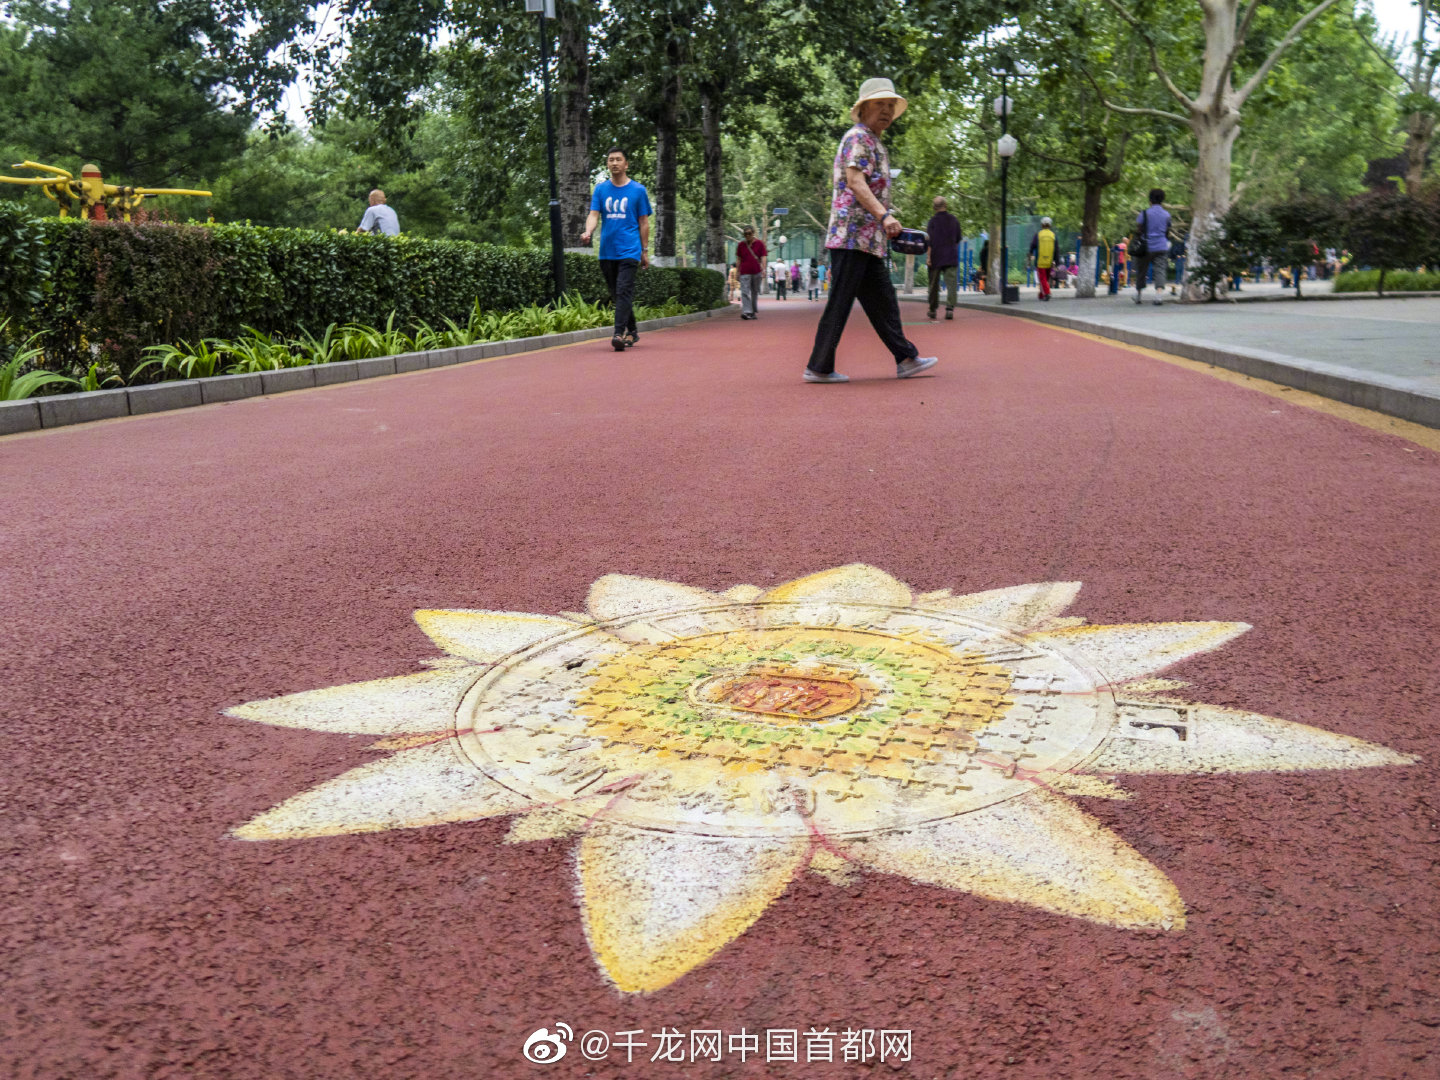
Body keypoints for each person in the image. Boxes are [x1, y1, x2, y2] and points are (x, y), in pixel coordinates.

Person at [804, 78, 937, 383]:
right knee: (840, 301)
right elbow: (855, 181)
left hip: (866, 239)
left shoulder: (874, 140)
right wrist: (884, 214)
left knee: (883, 301)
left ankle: (906, 358)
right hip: (852, 236)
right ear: (864, 108)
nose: (887, 110)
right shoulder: (859, 137)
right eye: (880, 104)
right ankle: (818, 366)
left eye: (891, 105)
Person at [582, 147, 652, 350]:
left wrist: (644, 250)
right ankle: (633, 331)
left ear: (626, 164)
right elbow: (594, 215)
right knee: (618, 294)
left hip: (629, 250)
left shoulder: (638, 190)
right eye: (611, 160)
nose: (614, 163)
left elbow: (644, 222)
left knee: (623, 291)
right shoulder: (601, 189)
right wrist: (588, 232)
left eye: (618, 159)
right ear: (607, 164)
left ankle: (618, 334)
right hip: (606, 251)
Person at [1132, 188, 1174, 306]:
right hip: (1161, 246)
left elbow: (1139, 229)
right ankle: (1158, 296)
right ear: (1162, 200)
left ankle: (1138, 295)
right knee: (1160, 270)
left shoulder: (1144, 213)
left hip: (1146, 247)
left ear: (1150, 200)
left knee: (1142, 271)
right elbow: (1167, 230)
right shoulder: (1166, 214)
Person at [925, 195, 961, 320]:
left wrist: (928, 257)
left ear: (934, 208)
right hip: (951, 256)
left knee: (933, 284)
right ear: (946, 205)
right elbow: (957, 238)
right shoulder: (954, 220)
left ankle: (932, 309)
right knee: (951, 284)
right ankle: (950, 309)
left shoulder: (932, 222)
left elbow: (928, 242)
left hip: (936, 256)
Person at [736, 226, 766, 319]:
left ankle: (753, 312)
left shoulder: (760, 243)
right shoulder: (741, 245)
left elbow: (763, 257)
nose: (748, 235)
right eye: (746, 234)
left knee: (754, 292)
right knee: (745, 292)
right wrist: (737, 271)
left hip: (757, 271)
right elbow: (738, 258)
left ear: (753, 233)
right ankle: (747, 311)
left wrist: (764, 269)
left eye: (749, 233)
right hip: (744, 272)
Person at [1029, 216, 1057, 301]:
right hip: (1050, 261)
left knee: (1042, 279)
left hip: (1040, 261)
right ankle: (1041, 294)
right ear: (1050, 225)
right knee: (1046, 279)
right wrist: (1056, 260)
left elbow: (1032, 245)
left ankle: (1047, 293)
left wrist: (1030, 254)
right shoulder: (1053, 235)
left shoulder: (1038, 234)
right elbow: (1056, 249)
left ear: (1042, 224)